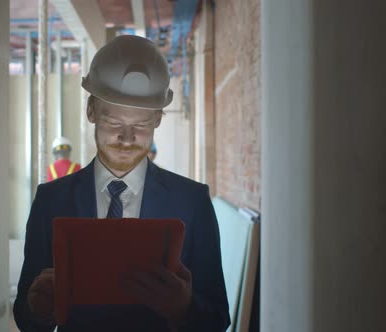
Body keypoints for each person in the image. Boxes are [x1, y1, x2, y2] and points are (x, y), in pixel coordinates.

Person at [14, 35, 230, 332]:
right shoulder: (51, 200)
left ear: (157, 120)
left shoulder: (192, 202)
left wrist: (184, 309)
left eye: (140, 125)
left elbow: (217, 319)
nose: (127, 139)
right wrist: (39, 309)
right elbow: (26, 319)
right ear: (91, 111)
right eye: (115, 122)